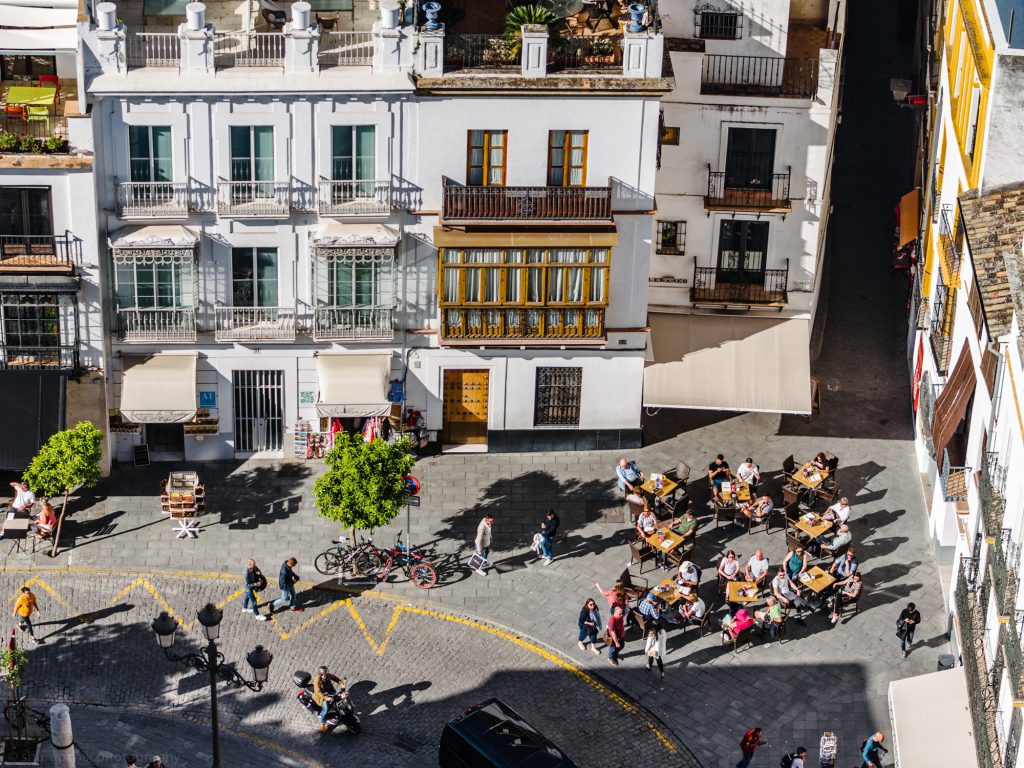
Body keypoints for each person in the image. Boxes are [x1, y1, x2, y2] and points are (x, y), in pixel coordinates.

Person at [312, 665, 345, 732]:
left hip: (330, 692)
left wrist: (341, 684)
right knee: (325, 709)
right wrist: (326, 698)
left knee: (340, 700)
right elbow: (318, 692)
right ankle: (322, 723)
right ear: (320, 674)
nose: (325, 676)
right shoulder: (316, 681)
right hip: (322, 696)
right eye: (323, 675)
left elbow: (336, 679)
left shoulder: (328, 675)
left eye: (325, 674)